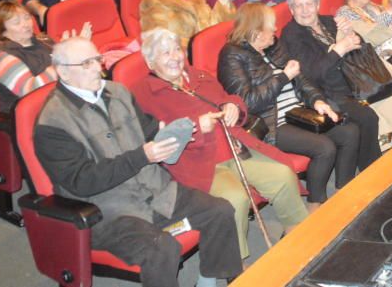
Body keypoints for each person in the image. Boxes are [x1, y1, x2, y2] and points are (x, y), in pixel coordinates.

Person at [34, 36, 242, 287]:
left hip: (155, 189)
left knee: (220, 210)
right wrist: (142, 156)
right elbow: (82, 181)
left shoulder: (119, 92)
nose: (98, 69)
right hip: (107, 211)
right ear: (63, 73)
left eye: (97, 60)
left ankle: (207, 282)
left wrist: (181, 129)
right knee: (160, 248)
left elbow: (150, 130)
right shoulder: (52, 123)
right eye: (86, 64)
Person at [131, 28, 308, 259]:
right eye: (166, 53)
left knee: (282, 175)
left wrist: (233, 106)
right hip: (197, 164)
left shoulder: (198, 76)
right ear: (151, 61)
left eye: (177, 50)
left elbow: (228, 98)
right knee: (235, 199)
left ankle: (296, 233)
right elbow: (156, 139)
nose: (175, 57)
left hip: (233, 147)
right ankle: (236, 264)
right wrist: (195, 126)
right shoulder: (142, 94)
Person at [217, 4, 360, 210]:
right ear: (257, 32)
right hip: (270, 122)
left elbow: (301, 79)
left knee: (349, 132)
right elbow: (247, 102)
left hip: (298, 113)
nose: (275, 31)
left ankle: (343, 190)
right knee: (324, 148)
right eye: (270, 27)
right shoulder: (232, 55)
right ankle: (315, 204)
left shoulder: (273, 45)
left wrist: (317, 101)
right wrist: (284, 77)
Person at [282, 0, 382, 172]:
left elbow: (360, 48)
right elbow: (310, 75)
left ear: (317, 4)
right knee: (368, 117)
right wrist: (339, 50)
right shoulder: (292, 34)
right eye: (298, 5)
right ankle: (371, 170)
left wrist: (350, 34)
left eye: (309, 4)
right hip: (327, 93)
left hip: (353, 81)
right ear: (291, 9)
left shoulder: (329, 22)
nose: (304, 10)